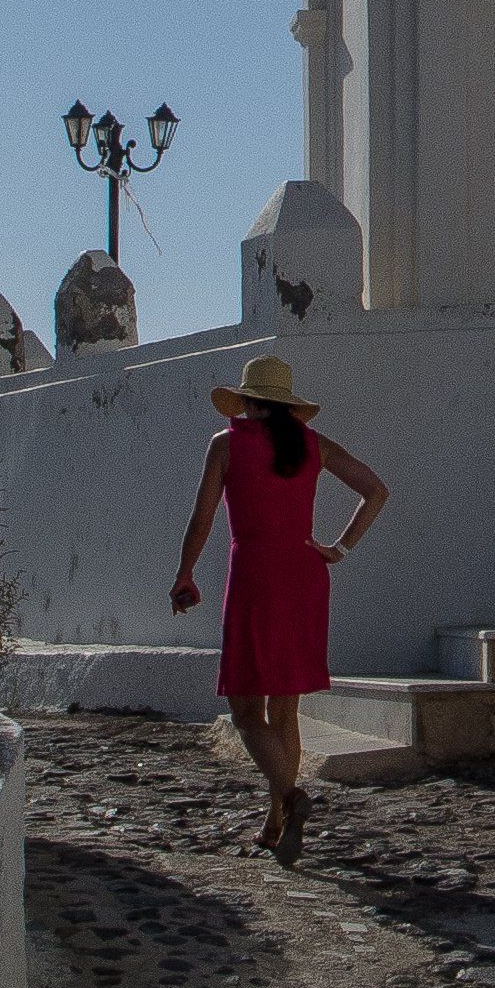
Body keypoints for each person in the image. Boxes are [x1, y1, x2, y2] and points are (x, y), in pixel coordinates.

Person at [170, 351, 388, 865]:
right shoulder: (313, 444)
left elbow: (202, 518)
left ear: (248, 402)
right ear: (288, 405)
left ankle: (290, 798)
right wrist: (340, 548)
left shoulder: (226, 445)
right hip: (304, 576)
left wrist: (185, 574)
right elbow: (376, 491)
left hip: (255, 577)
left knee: (246, 710)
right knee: (285, 709)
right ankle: (276, 822)